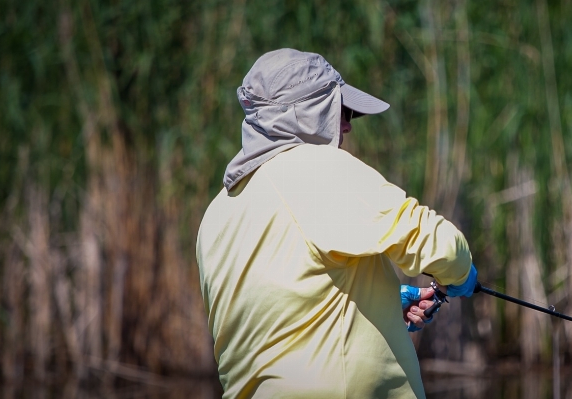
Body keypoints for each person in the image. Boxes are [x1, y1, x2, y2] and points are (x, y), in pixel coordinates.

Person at [196, 48, 478, 399]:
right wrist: (462, 275)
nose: (347, 125)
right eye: (341, 111)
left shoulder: (217, 213)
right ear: (305, 115)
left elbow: (282, 305)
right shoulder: (316, 168)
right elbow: (440, 245)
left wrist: (386, 301)